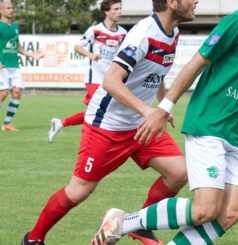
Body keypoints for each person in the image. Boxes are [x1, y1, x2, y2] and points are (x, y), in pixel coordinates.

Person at [92, 0, 238, 244]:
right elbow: (197, 63)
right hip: (208, 126)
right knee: (204, 210)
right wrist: (164, 107)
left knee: (230, 213)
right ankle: (123, 222)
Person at [21, 0, 198, 244]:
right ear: (171, 3)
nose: (196, 1)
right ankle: (33, 238)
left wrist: (161, 106)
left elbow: (156, 75)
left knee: (179, 172)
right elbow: (111, 82)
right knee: (79, 190)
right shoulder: (143, 34)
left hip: (139, 123)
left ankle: (139, 224)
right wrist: (149, 111)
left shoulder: (173, 33)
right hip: (108, 125)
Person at [48, 0, 127, 143]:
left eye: (120, 9)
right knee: (98, 111)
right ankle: (94, 140)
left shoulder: (123, 33)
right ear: (107, 11)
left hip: (111, 80)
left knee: (103, 112)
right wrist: (91, 55)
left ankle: (60, 123)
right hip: (95, 78)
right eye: (116, 9)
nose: (119, 12)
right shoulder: (95, 30)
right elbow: (77, 47)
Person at [0, 0, 44, 132]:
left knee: (17, 92)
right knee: (2, 94)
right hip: (2, 66)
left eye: (12, 8)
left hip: (14, 65)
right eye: (8, 8)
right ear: (1, 10)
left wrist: (32, 55)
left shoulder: (15, 26)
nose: (11, 10)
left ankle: (7, 123)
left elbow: (17, 45)